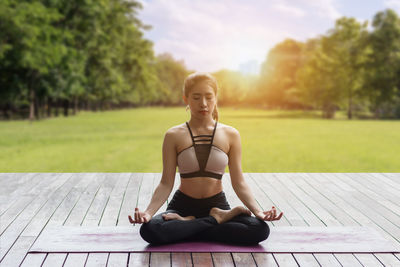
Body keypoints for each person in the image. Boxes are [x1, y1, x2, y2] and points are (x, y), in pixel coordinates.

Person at [128, 72, 283, 245]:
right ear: (186, 99)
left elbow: (239, 182)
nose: (203, 104)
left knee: (259, 230)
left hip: (217, 203)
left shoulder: (231, 134)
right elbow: (166, 183)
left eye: (209, 97)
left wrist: (258, 211)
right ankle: (213, 221)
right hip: (182, 206)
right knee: (150, 230)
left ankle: (190, 225)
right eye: (196, 97)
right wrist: (148, 213)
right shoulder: (173, 135)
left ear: (216, 98)